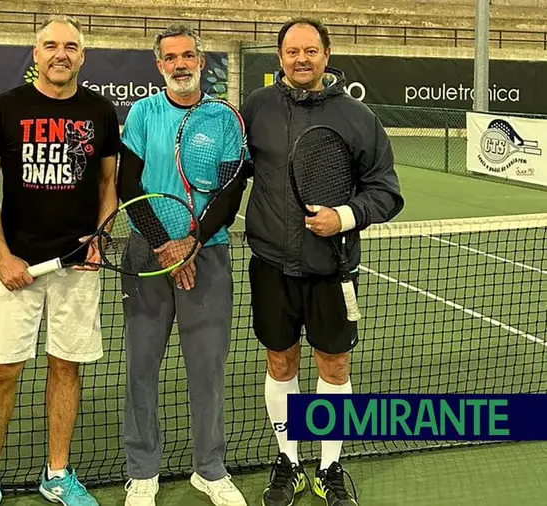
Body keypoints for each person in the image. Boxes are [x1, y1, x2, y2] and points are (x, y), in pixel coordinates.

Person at [240, 17, 404, 506]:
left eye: (311, 50)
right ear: (280, 57)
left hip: (333, 268)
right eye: (292, 51)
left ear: (327, 55)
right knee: (280, 361)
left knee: (333, 366)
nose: (301, 59)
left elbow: (386, 192)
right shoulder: (257, 108)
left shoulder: (359, 117)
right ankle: (288, 461)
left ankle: (330, 465)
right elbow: (235, 172)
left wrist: (346, 216)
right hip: (271, 263)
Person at [0, 14, 120, 506]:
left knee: (65, 369)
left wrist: (99, 237)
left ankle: (56, 473)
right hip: (18, 269)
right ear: (36, 54)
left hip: (77, 268)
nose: (61, 54)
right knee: (3, 372)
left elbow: (108, 185)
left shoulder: (100, 111)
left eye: (70, 46)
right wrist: (2, 256)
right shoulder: (4, 108)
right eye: (50, 45)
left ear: (82, 56)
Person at [117, 24, 250, 506]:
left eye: (188, 55)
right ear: (159, 66)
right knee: (141, 366)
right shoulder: (142, 114)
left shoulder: (224, 120)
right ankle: (142, 471)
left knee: (207, 367)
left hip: (208, 253)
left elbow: (230, 191)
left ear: (201, 60)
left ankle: (209, 469)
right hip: (146, 254)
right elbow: (129, 187)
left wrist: (191, 243)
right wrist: (164, 247)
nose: (180, 64)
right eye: (170, 57)